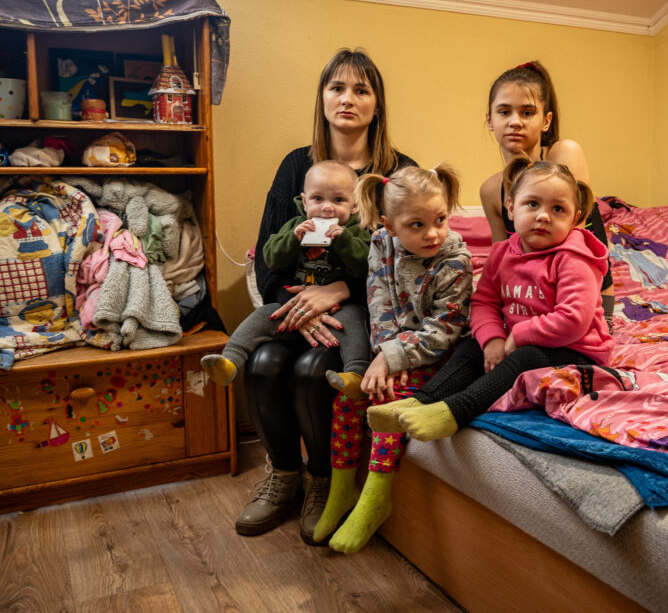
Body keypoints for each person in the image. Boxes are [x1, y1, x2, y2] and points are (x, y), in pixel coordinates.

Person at [240, 48, 417, 543]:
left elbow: (408, 265)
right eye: (337, 87)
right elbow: (268, 253)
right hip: (297, 305)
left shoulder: (398, 173)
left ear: (377, 103)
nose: (348, 99)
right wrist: (300, 307)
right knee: (264, 363)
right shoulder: (296, 166)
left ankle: (322, 482)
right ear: (322, 98)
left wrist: (338, 291)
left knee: (313, 370)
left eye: (362, 89)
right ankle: (283, 478)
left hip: (364, 314)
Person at [367, 157, 613, 442]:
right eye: (532, 204)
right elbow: (484, 302)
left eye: (558, 209)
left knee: (527, 357)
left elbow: (574, 320)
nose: (544, 216)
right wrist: (493, 339)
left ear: (575, 217)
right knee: (473, 345)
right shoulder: (502, 253)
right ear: (510, 207)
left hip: (576, 350)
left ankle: (454, 411)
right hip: (515, 340)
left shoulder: (574, 258)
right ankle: (422, 400)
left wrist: (518, 335)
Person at [315, 164, 473, 553]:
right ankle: (341, 492)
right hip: (393, 349)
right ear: (388, 224)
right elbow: (379, 302)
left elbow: (444, 331)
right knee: (348, 401)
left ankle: (375, 497)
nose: (433, 233)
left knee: (388, 403)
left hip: (438, 356)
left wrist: (394, 360)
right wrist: (383, 355)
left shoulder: (455, 263)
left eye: (440, 220)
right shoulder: (381, 244)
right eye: (416, 225)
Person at [200, 160, 371, 396]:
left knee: (354, 321)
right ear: (304, 201)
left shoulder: (358, 231)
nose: (327, 208)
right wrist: (292, 239)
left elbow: (366, 267)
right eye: (318, 199)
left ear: (354, 206)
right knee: (262, 315)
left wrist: (345, 242)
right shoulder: (295, 226)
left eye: (338, 200)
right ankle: (229, 361)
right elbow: (270, 259)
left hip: (341, 308)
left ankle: (355, 374)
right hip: (295, 305)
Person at [478, 60, 616, 327]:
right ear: (490, 120)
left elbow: (575, 246)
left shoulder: (564, 155)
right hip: (527, 306)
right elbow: (502, 262)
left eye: (527, 113)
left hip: (583, 305)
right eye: (504, 112)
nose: (515, 122)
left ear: (546, 120)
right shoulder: (490, 190)